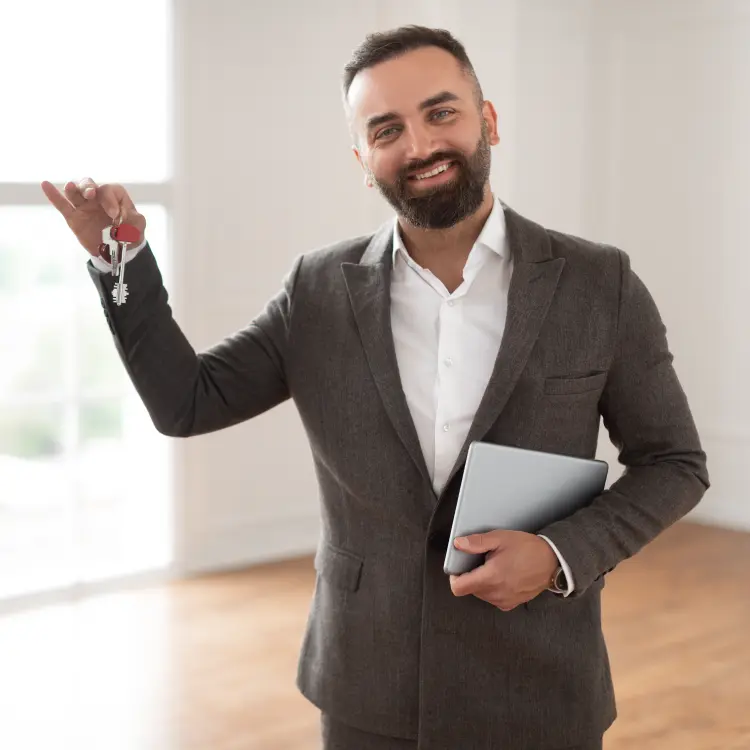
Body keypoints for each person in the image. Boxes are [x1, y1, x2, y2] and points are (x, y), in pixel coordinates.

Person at [42, 25, 709, 750]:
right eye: (387, 130)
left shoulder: (599, 283)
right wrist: (122, 260)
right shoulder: (317, 290)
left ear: (488, 120)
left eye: (441, 112)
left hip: (538, 680)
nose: (420, 145)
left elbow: (674, 463)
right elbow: (187, 402)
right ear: (363, 160)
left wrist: (558, 555)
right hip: (368, 679)